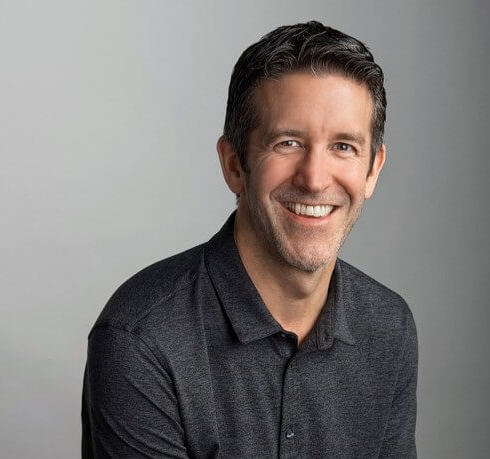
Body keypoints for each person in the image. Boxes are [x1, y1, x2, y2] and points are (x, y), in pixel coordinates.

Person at [82, 20, 417, 458]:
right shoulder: (142, 339)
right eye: (288, 142)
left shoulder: (389, 327)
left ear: (372, 170)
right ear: (235, 165)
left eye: (344, 147)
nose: (315, 179)